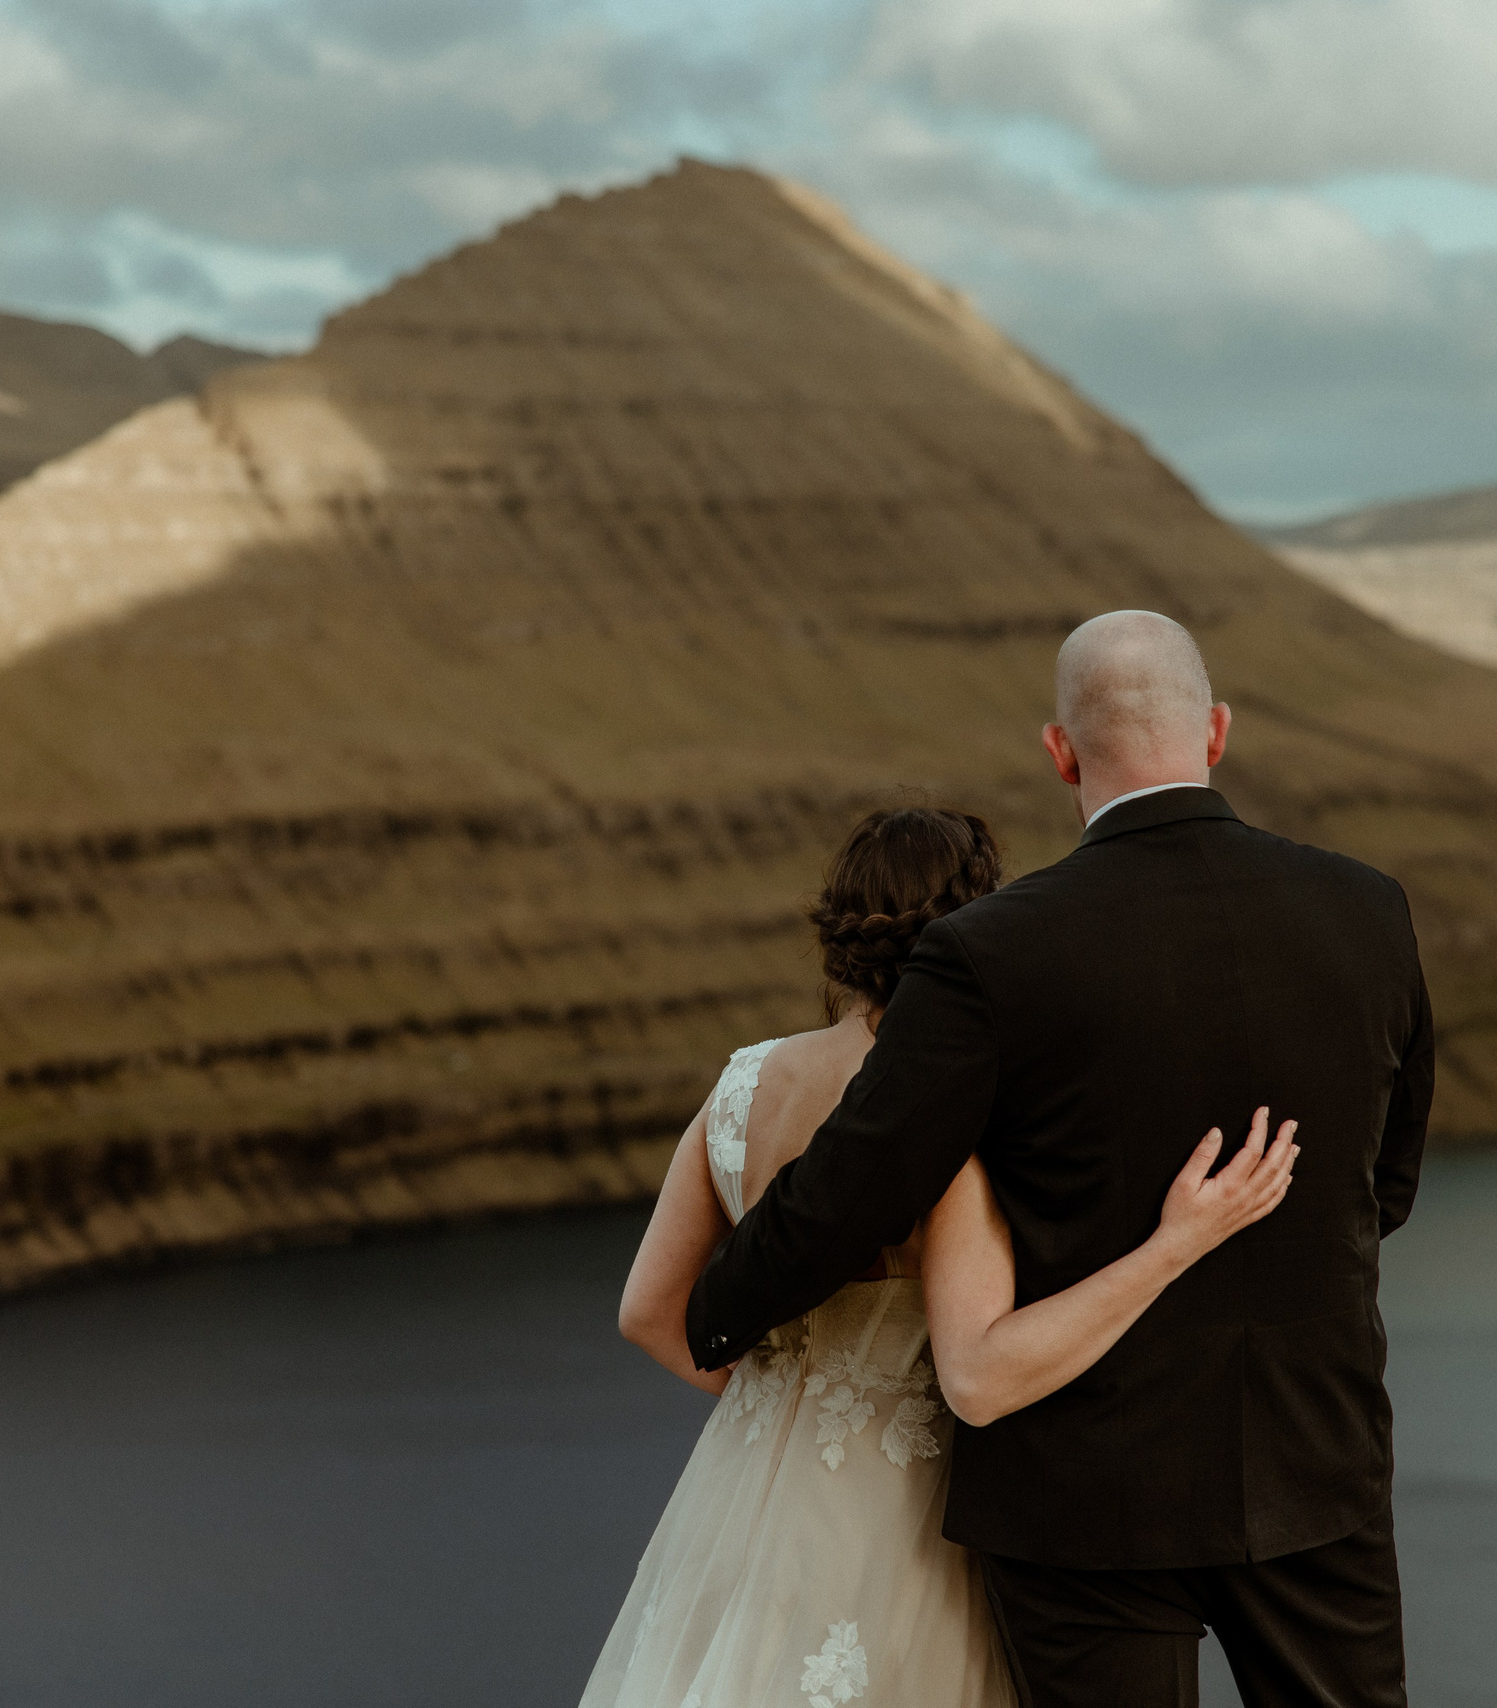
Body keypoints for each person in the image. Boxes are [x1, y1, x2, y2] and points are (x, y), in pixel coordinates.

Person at [687, 610, 1435, 1708]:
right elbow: (1385, 1185)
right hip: (1310, 1462)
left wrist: (722, 1307)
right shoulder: (1368, 910)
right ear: (1215, 731)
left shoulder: (990, 952)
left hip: (1084, 1497)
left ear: (1061, 751)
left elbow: (858, 1184)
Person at [581, 802, 1299, 1708]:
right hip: (906, 1522)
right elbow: (986, 1368)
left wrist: (786, 1401)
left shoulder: (743, 1082)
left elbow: (649, 1315)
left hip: (735, 1507)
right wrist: (1178, 1241)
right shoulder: (950, 1118)